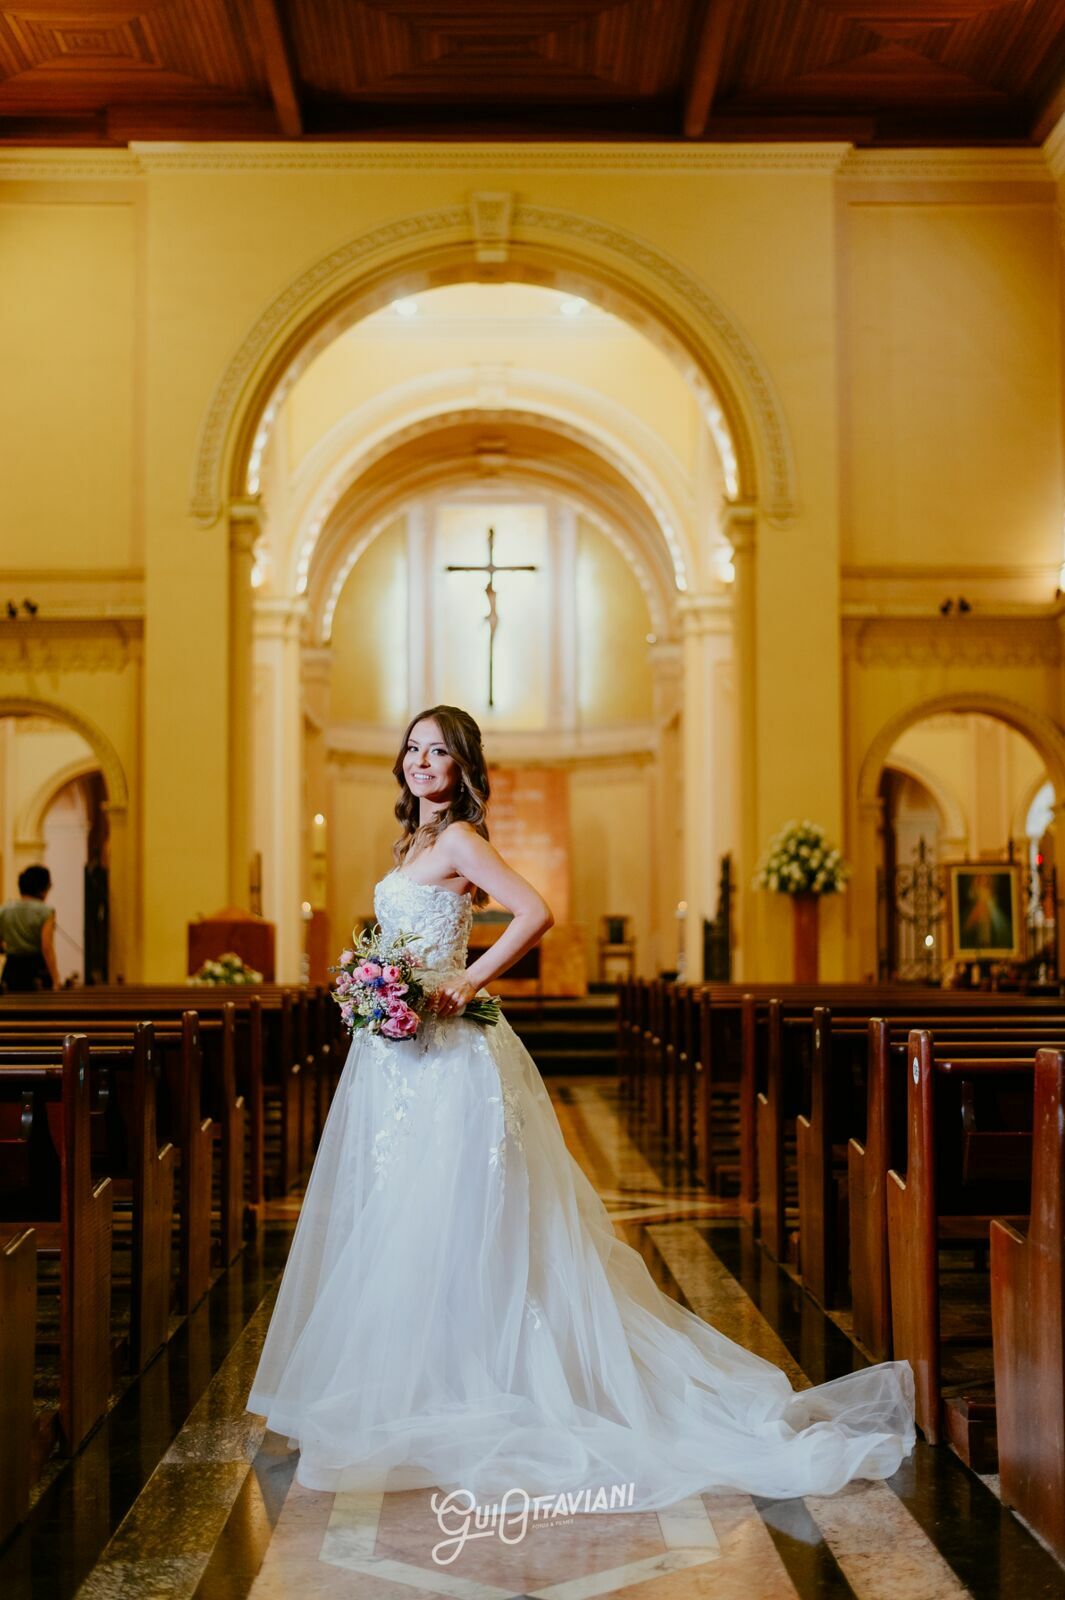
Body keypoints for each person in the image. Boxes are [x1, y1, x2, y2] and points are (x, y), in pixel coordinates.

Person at [247, 704, 914, 1512]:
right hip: (400, 1061)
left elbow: (533, 912)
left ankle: (479, 1386)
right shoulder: (414, 844)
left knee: (457, 1216)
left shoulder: (458, 838)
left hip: (450, 1058)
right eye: (413, 749)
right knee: (410, 1217)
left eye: (439, 752)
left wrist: (467, 979)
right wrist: (374, 985)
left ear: (462, 766)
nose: (422, 762)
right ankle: (425, 1385)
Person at [0, 864, 59, 993]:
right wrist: (56, 980)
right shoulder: (46, 911)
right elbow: (46, 946)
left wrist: (12, 946)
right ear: (42, 889)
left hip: (11, 970)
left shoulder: (4, 910)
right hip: (37, 971)